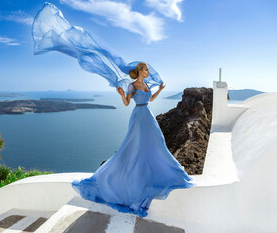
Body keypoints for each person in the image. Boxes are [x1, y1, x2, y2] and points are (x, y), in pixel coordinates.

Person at [71, 62, 196, 217]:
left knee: (157, 145)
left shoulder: (147, 85)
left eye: (148, 70)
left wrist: (160, 90)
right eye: (146, 70)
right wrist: (122, 94)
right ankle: (127, 180)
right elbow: (126, 103)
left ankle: (162, 172)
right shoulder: (132, 85)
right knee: (134, 147)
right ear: (140, 71)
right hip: (138, 117)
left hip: (148, 116)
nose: (149, 72)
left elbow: (150, 100)